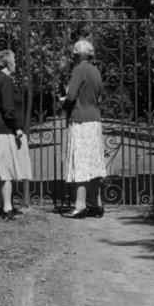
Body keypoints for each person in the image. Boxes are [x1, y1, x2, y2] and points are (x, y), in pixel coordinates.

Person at [59, 38, 106, 218]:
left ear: (77, 54)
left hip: (80, 120)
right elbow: (98, 94)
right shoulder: (95, 70)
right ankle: (97, 204)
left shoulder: (79, 70)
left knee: (80, 162)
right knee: (93, 163)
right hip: (94, 120)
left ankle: (80, 205)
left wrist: (63, 104)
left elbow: (71, 95)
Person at [0, 49, 32, 221]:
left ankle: (2, 205)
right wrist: (17, 128)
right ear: (7, 62)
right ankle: (7, 208)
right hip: (5, 128)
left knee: (1, 169)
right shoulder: (5, 80)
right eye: (13, 60)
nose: (15, 63)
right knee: (6, 170)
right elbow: (8, 107)